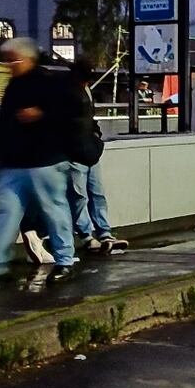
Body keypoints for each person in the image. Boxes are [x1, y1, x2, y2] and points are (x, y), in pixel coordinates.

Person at [0, 38, 78, 283]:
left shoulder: (47, 82)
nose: (8, 65)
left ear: (28, 59)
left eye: (13, 60)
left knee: (51, 210)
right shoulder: (15, 85)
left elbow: (69, 112)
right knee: (11, 210)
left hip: (44, 161)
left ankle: (64, 260)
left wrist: (41, 114)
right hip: (17, 162)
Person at [66, 59, 129, 255]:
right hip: (83, 150)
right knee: (89, 195)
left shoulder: (78, 90)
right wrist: (95, 137)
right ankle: (96, 234)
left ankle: (96, 234)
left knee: (85, 195)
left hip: (81, 150)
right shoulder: (73, 92)